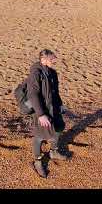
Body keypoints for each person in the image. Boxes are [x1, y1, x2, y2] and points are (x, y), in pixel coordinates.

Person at [25, 49, 68, 178]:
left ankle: (54, 151)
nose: (54, 61)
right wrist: (41, 114)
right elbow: (33, 94)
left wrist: (60, 104)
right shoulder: (35, 73)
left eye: (54, 59)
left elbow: (56, 91)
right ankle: (37, 161)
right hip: (41, 109)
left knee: (58, 127)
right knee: (39, 136)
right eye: (51, 59)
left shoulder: (52, 73)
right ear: (43, 60)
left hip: (53, 107)